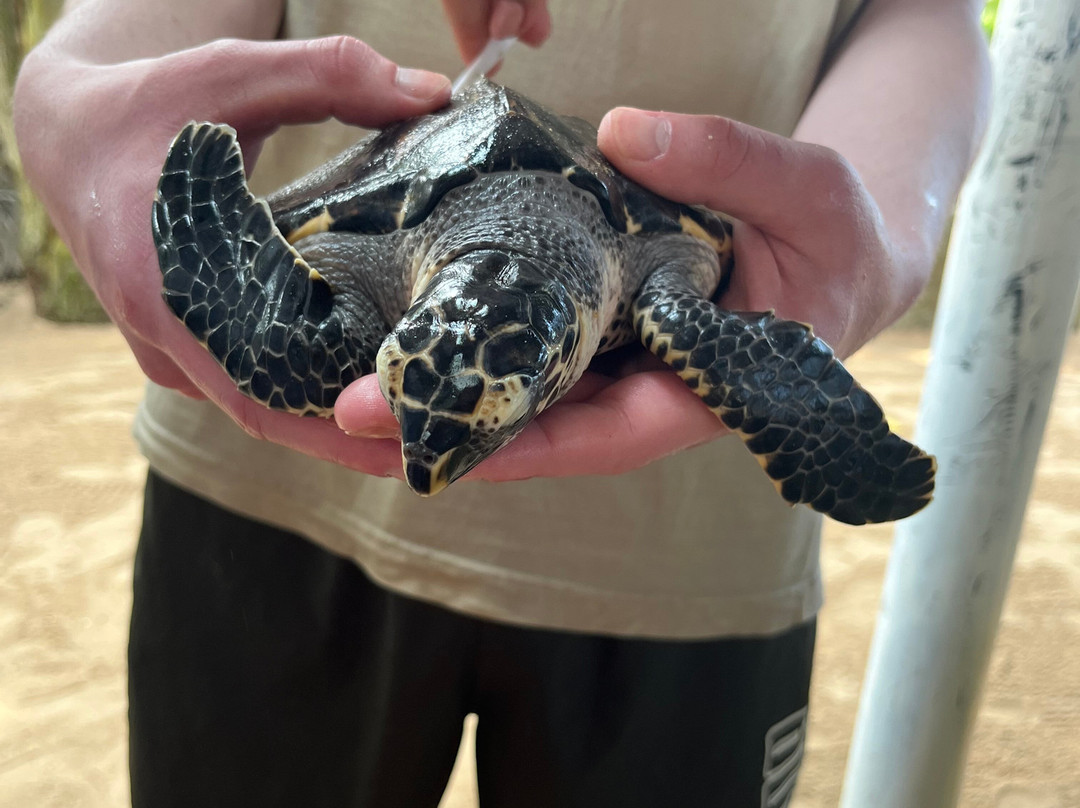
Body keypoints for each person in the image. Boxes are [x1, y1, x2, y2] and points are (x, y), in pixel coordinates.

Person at [13, 0, 990, 805]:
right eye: (416, 377)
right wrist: (92, 73)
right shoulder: (390, 289)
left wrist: (888, 209)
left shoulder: (656, 278)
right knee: (288, 349)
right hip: (269, 508)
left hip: (687, 568)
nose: (430, 454)